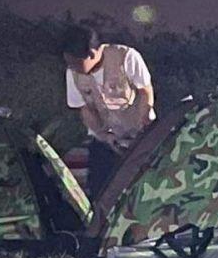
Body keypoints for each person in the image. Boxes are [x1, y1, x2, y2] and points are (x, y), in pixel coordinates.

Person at [60, 25, 155, 204]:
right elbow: (84, 109)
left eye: (74, 62)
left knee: (140, 190)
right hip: (106, 142)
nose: (72, 67)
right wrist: (105, 136)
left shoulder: (126, 57)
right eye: (69, 62)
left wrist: (143, 129)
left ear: (91, 54)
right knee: (100, 190)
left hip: (139, 138)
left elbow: (145, 92)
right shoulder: (72, 73)